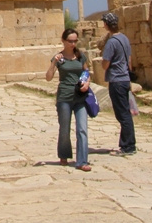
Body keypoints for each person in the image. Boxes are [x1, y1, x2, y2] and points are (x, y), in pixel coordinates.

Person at [45, 28, 91, 171]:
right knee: (64, 128)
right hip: (64, 97)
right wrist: (53, 63)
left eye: (75, 41)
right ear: (64, 41)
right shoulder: (59, 57)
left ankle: (82, 161)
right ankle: (64, 155)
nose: (73, 44)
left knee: (82, 128)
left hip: (80, 96)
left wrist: (87, 83)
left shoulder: (80, 56)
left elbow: (86, 71)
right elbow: (48, 77)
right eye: (70, 41)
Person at [101, 12, 136, 156]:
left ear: (106, 25)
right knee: (125, 113)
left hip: (116, 80)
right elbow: (130, 61)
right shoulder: (125, 39)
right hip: (125, 78)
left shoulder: (111, 42)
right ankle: (126, 144)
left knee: (122, 114)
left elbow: (105, 64)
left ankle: (128, 146)